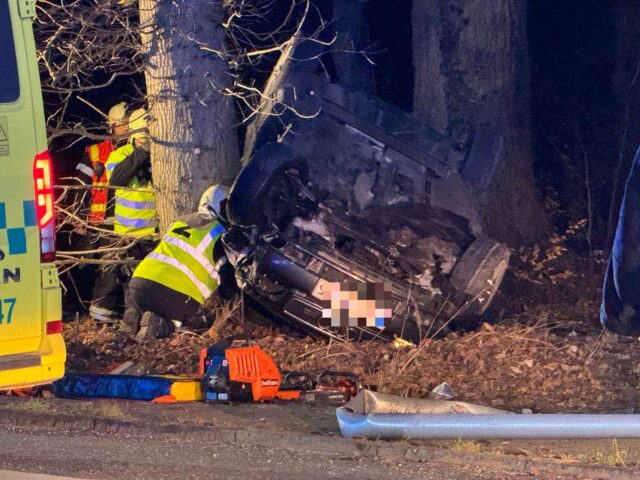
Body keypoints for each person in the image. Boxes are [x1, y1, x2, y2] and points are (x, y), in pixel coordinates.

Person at [122, 185, 236, 340]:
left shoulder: (178, 223)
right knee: (200, 323)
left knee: (143, 302)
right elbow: (228, 282)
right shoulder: (220, 235)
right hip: (174, 293)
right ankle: (161, 325)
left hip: (139, 282)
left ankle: (133, 315)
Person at [88, 108, 158, 322]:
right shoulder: (119, 155)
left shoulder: (161, 156)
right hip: (127, 232)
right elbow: (117, 178)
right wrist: (141, 153)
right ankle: (132, 321)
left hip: (155, 233)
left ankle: (148, 319)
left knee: (153, 280)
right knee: (129, 280)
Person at [75, 102, 128, 225]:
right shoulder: (95, 152)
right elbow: (81, 185)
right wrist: (79, 216)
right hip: (100, 220)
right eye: (122, 124)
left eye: (129, 124)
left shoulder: (139, 152)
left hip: (130, 220)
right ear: (112, 126)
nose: (126, 128)